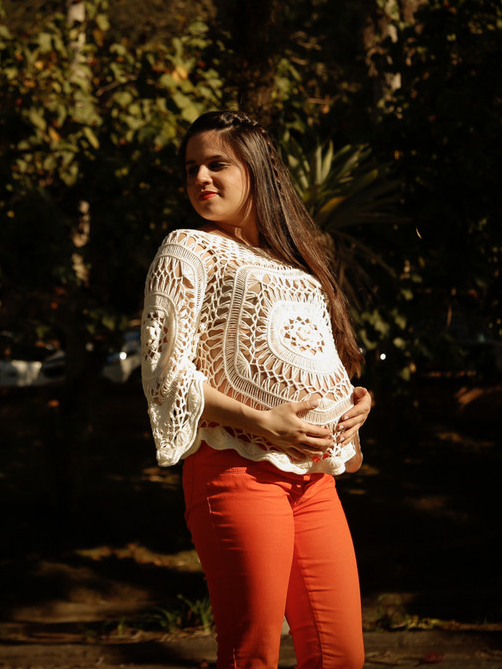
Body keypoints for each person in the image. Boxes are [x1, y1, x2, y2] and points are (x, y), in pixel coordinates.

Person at [141, 110, 373, 669]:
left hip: (314, 479)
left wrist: (353, 403)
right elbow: (165, 373)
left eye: (216, 164)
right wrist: (262, 421)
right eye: (191, 167)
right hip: (235, 469)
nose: (201, 177)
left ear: (256, 169)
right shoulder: (187, 249)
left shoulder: (295, 260)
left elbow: (310, 356)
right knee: (253, 654)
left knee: (341, 655)